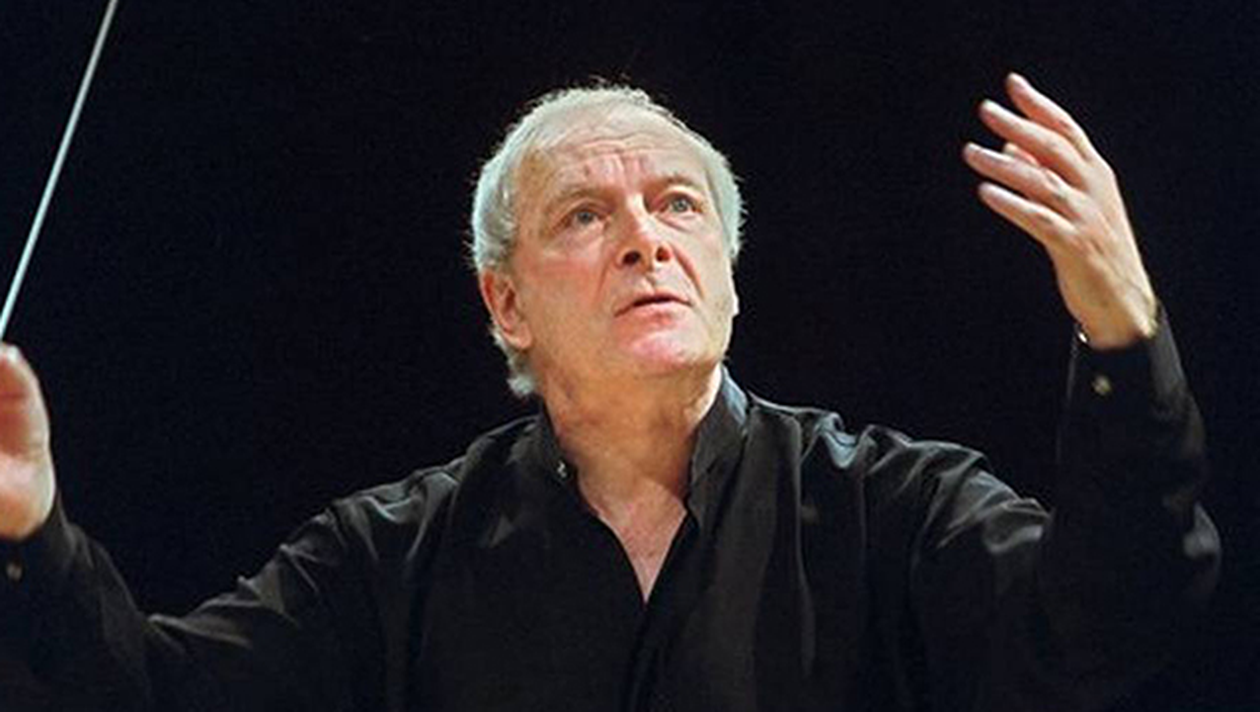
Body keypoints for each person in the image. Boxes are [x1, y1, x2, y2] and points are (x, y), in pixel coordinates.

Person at [0, 74, 1219, 711]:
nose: (646, 239)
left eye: (678, 204)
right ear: (507, 304)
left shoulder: (890, 507)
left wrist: (1123, 334)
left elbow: (1109, 619)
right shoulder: (389, 560)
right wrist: (25, 532)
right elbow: (146, 697)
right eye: (586, 215)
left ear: (727, 272)